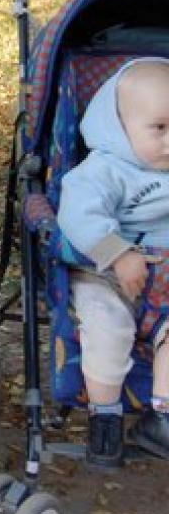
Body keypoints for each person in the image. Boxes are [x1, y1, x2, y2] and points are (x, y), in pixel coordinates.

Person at [57, 57, 169, 469]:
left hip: (166, 285)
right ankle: (104, 416)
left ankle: (161, 418)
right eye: (159, 128)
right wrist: (118, 253)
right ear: (120, 127)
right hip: (108, 278)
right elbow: (78, 215)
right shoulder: (104, 170)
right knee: (106, 328)